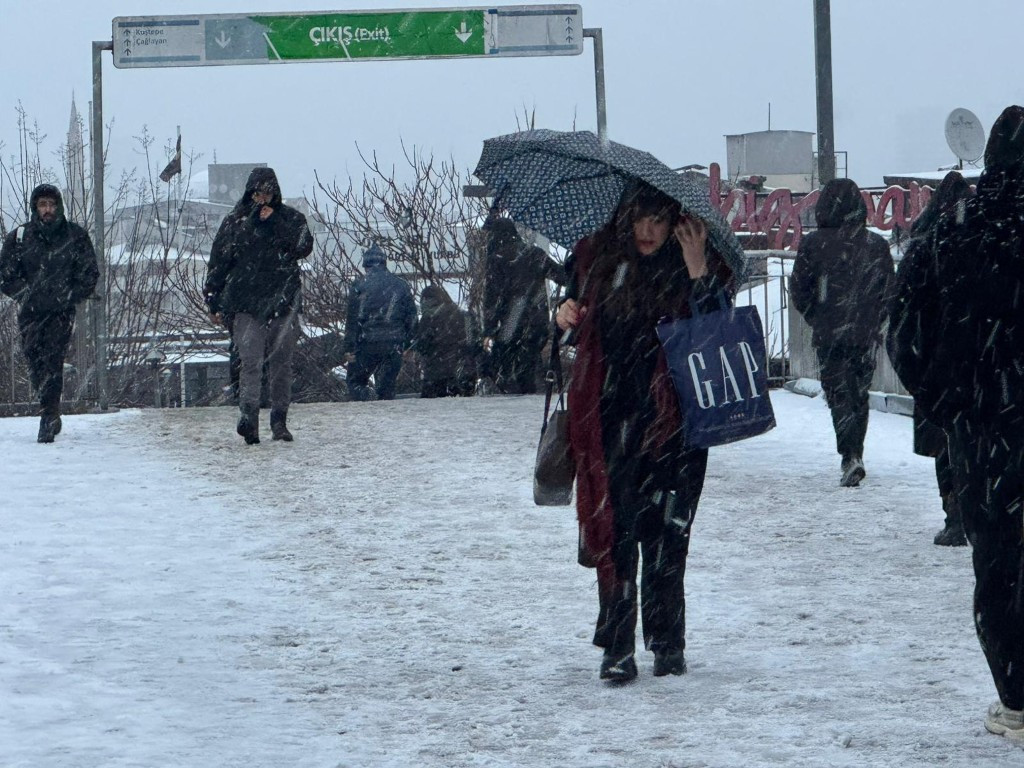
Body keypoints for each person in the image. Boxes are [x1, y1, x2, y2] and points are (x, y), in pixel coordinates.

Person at [555, 183, 735, 683]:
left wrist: (698, 267)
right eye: (640, 219)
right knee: (618, 535)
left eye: (659, 220)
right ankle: (617, 646)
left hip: (679, 425)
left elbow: (719, 334)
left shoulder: (696, 262)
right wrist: (563, 315)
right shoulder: (595, 261)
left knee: (670, 533)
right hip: (612, 421)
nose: (649, 230)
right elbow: (574, 327)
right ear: (625, 219)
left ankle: (667, 640)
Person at [907, 105, 1024, 744]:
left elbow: (907, 325)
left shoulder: (956, 225)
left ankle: (1016, 700)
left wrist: (944, 398)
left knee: (999, 564)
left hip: (984, 425)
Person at [885, 170, 972, 546]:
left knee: (947, 444)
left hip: (939, 368)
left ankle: (954, 515)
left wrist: (920, 378)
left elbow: (902, 323)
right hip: (982, 368)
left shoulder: (925, 246)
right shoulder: (986, 241)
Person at [790, 178, 895, 487]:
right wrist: (874, 320)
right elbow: (889, 290)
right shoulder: (876, 244)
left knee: (838, 393)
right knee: (859, 393)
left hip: (830, 333)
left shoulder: (813, 244)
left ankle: (848, 455)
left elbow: (798, 288)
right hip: (864, 333)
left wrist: (817, 317)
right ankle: (855, 452)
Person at [204, 167, 313, 444]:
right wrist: (213, 298)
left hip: (282, 300)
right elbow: (220, 260)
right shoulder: (236, 222)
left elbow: (302, 247)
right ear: (249, 193)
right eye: (257, 193)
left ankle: (279, 421)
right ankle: (249, 418)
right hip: (246, 303)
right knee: (250, 362)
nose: (262, 198)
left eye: (267, 193)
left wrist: (275, 223)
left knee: (281, 363)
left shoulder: (290, 218)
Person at [0, 184, 98, 443]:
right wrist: (26, 295)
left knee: (53, 361)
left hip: (61, 313)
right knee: (34, 361)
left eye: (51, 205)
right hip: (31, 313)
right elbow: (6, 275)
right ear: (35, 208)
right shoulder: (20, 237)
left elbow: (89, 273)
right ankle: (49, 407)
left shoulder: (75, 236)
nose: (47, 210)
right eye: (42, 205)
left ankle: (49, 415)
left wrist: (68, 295)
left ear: (59, 207)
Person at [482, 210, 564, 394]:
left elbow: (491, 297)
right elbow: (562, 276)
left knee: (509, 368)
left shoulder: (497, 259)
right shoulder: (534, 253)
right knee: (530, 361)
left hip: (511, 323)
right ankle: (532, 395)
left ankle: (519, 398)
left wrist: (488, 329)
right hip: (537, 319)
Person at [342, 243, 417, 401]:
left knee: (355, 382)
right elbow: (411, 317)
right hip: (393, 344)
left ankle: (367, 398)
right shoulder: (400, 285)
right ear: (384, 264)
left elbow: (352, 320)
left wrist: (349, 347)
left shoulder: (359, 286)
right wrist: (410, 345)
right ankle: (386, 414)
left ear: (366, 265)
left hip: (366, 343)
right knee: (386, 387)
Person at [413, 284, 477, 398]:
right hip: (463, 372)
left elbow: (422, 347)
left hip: (435, 376)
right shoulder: (464, 315)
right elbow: (473, 344)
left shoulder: (427, 320)